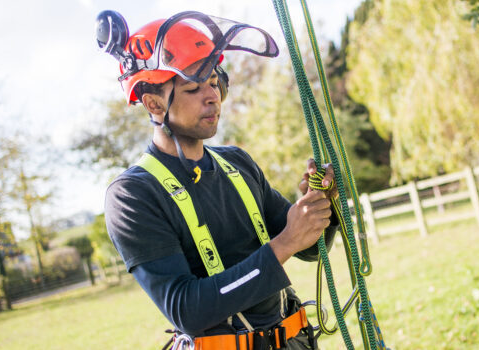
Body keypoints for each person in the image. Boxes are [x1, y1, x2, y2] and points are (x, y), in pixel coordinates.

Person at [99, 10, 338, 350]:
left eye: (214, 82)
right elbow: (187, 309)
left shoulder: (237, 163)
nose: (212, 96)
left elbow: (312, 248)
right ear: (153, 103)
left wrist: (321, 207)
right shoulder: (132, 196)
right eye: (193, 87)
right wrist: (284, 243)